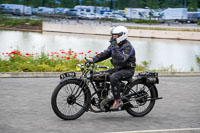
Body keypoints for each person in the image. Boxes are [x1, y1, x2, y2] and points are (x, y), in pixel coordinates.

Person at [87, 26, 136, 110]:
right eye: (113, 35)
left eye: (116, 36)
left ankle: (118, 101)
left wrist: (115, 47)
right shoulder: (115, 45)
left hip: (127, 70)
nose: (113, 37)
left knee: (114, 77)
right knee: (100, 75)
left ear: (122, 35)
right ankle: (104, 97)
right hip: (118, 69)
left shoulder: (128, 47)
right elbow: (105, 54)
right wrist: (93, 60)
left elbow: (122, 59)